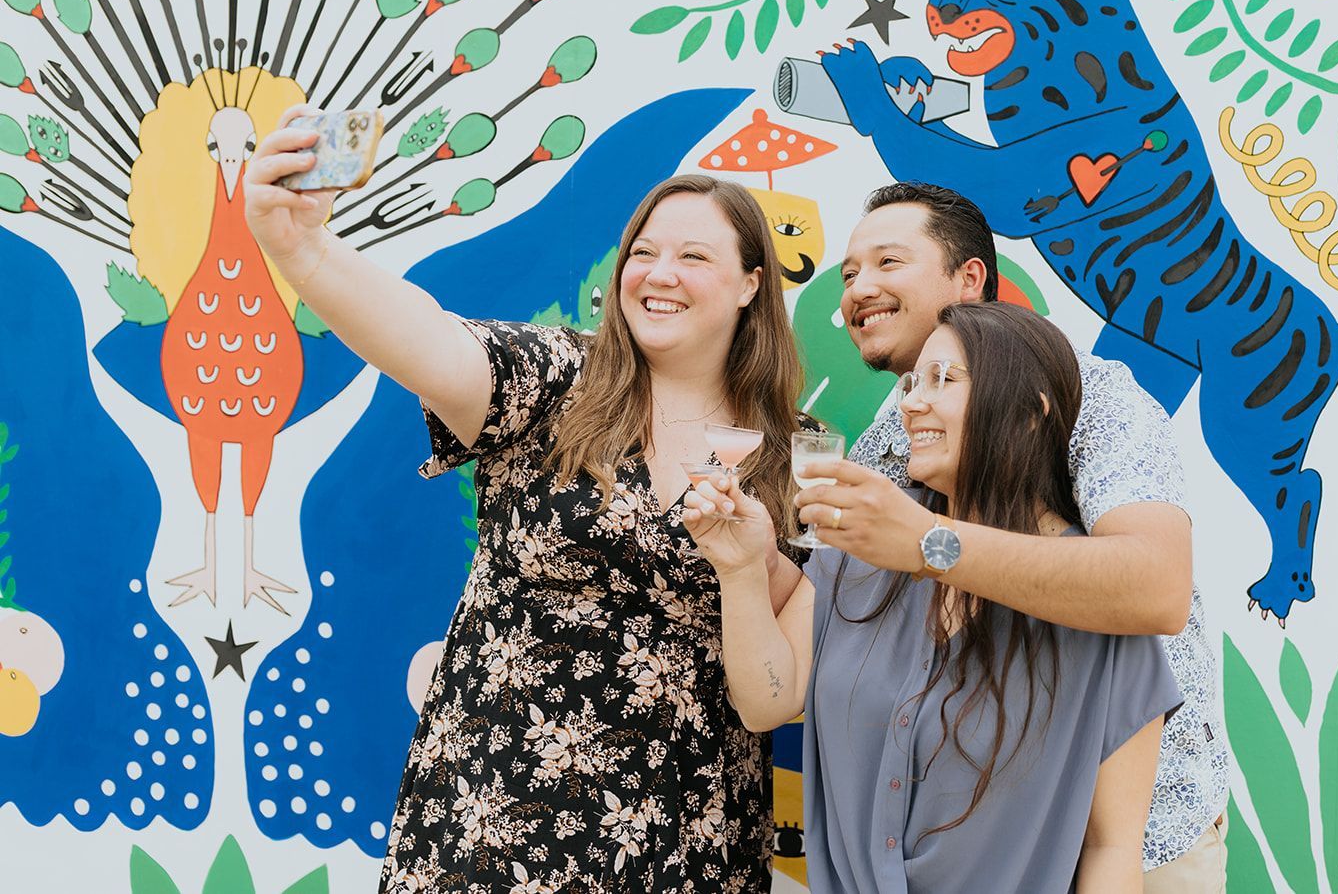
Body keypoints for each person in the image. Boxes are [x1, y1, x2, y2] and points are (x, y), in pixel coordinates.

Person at [244, 109, 807, 892]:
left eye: (693, 254)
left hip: (682, 846)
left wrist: (749, 570)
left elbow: (772, 698)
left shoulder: (793, 457)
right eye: (641, 251)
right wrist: (301, 249)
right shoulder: (557, 380)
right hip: (490, 824)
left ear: (753, 281)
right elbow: (427, 338)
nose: (657, 271)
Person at [765, 183, 1231, 889]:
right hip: (962, 851)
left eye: (889, 262)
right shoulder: (882, 449)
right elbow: (812, 636)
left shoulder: (1088, 393)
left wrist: (928, 542)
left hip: (1139, 838)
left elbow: (1156, 585)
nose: (860, 287)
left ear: (970, 278)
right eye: (851, 271)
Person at [687, 302, 1182, 892]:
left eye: (943, 380)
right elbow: (766, 703)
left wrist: (929, 545)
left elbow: (1111, 850)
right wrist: (742, 568)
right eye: (911, 382)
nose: (911, 402)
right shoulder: (858, 550)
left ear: (1030, 412)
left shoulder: (1095, 602)